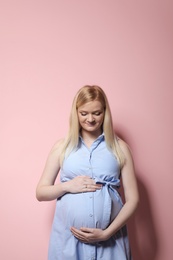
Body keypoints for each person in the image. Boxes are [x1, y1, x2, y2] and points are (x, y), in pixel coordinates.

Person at [36, 85, 139, 260]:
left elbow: (133, 199)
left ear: (105, 112)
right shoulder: (62, 148)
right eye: (84, 113)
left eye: (96, 113)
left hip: (111, 242)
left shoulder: (120, 148)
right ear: (76, 113)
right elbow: (41, 192)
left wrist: (107, 233)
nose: (90, 119)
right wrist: (68, 186)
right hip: (68, 243)